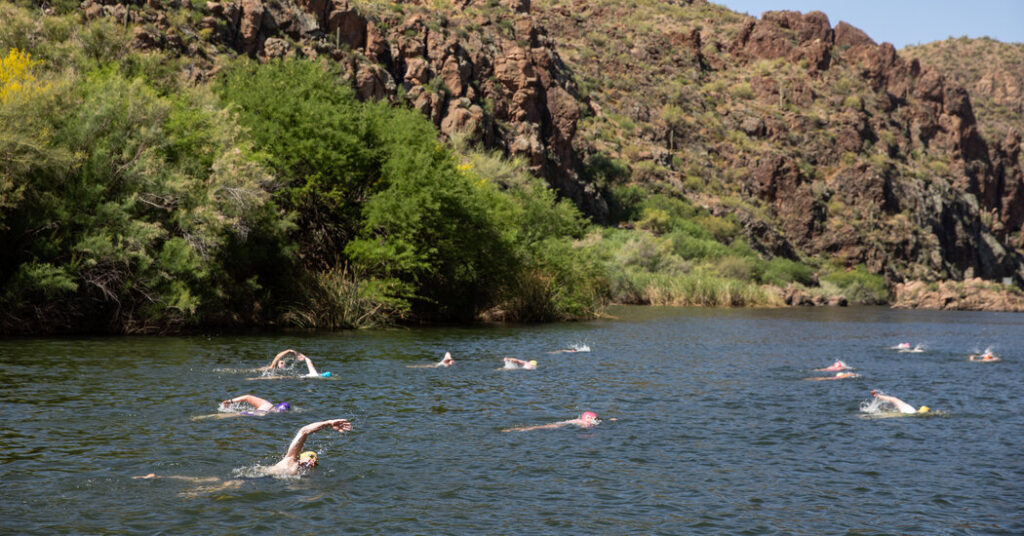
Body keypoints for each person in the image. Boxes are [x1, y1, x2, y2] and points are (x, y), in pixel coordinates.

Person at [135, 418, 352, 483]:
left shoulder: (302, 475)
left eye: (315, 461)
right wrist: (328, 423)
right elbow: (304, 430)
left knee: (206, 483)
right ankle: (160, 476)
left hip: (256, 480)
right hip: (252, 477)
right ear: (303, 456)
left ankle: (161, 476)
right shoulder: (291, 460)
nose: (313, 462)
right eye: (311, 458)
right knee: (206, 484)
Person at [503, 411, 600, 432]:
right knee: (539, 427)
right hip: (561, 425)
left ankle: (516, 429)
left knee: (540, 426)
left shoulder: (579, 419)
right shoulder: (584, 423)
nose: (595, 421)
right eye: (594, 419)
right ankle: (518, 429)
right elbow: (585, 428)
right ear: (588, 418)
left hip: (561, 423)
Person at [221, 394, 291, 415]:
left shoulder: (267, 404)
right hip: (261, 414)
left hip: (261, 411)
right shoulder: (268, 411)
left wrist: (230, 401)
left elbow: (247, 397)